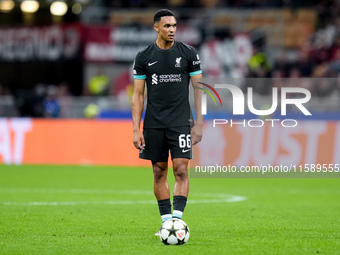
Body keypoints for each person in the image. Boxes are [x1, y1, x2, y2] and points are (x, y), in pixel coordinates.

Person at [131, 9, 204, 235]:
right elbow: (138, 95)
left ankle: (177, 220)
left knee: (181, 169)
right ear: (156, 28)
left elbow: (198, 89)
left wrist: (199, 123)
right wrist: (136, 129)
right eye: (167, 26)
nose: (172, 29)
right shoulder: (144, 57)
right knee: (158, 171)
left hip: (180, 121)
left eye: (174, 26)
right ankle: (166, 222)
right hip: (154, 122)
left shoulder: (188, 53)